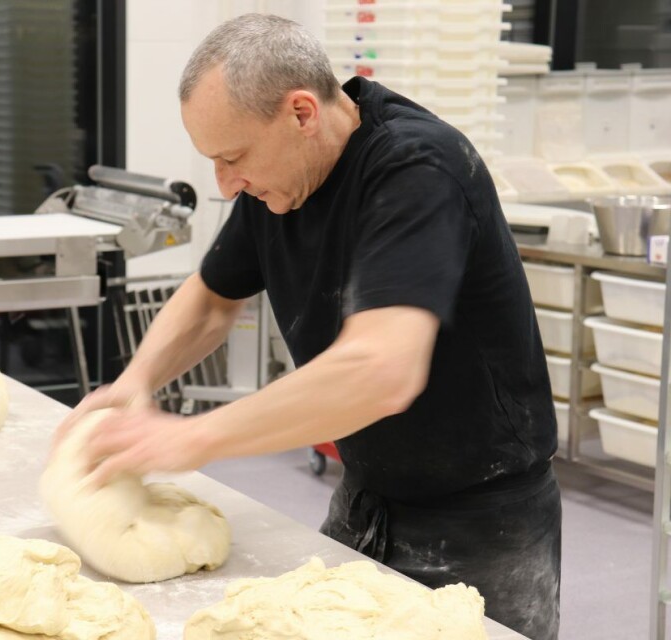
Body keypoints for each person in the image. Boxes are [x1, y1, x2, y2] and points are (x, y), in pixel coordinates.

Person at [55, 13, 560, 640]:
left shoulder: (417, 171)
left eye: (232, 157)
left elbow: (380, 371)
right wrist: (137, 382)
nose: (225, 182)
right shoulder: (278, 181)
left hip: (483, 520)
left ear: (301, 113)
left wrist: (193, 438)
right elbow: (212, 298)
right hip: (366, 494)